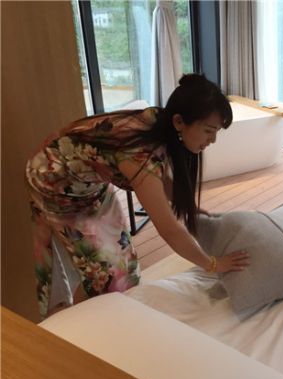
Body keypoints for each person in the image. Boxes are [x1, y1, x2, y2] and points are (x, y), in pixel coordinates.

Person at [26, 73, 250, 318]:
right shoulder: (139, 155)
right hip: (56, 183)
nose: (213, 140)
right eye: (209, 130)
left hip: (89, 183)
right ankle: (76, 326)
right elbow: (169, 229)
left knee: (125, 268)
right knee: (105, 276)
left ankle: (99, 317)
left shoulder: (161, 123)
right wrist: (213, 264)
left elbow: (160, 178)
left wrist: (186, 205)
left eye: (216, 132)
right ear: (179, 121)